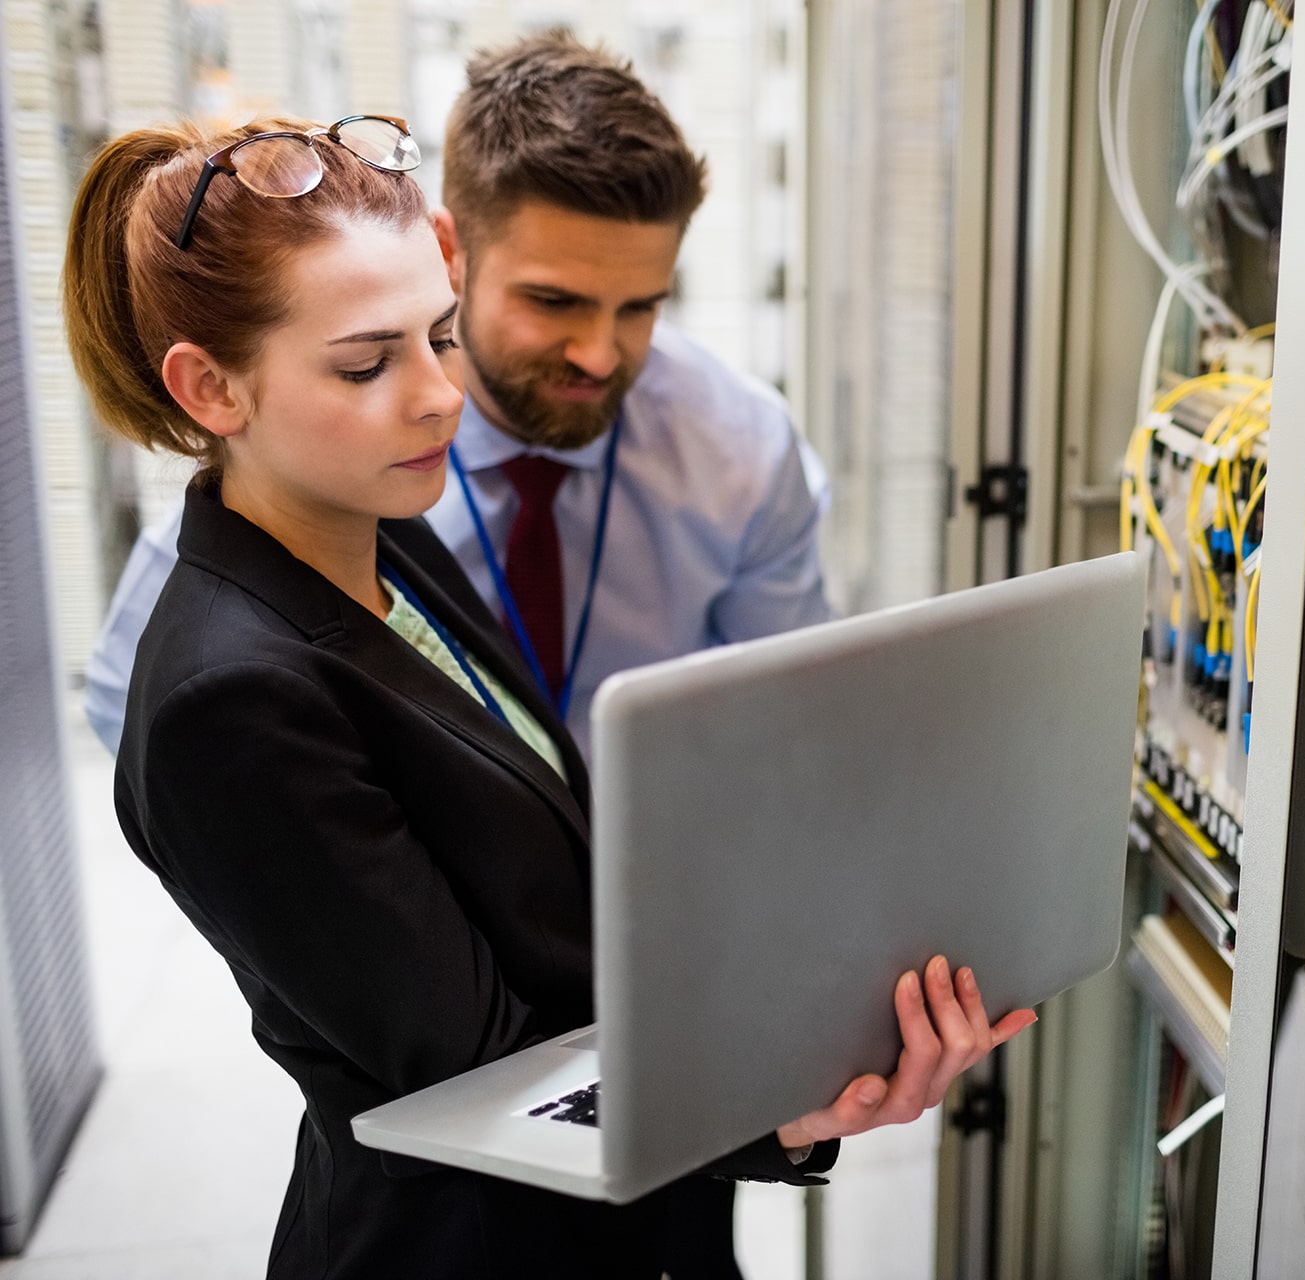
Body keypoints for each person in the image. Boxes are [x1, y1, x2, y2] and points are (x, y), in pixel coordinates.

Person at [61, 112, 1031, 1279]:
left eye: (440, 337)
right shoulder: (227, 702)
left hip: (625, 1211)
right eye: (367, 364)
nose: (438, 398)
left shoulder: (374, 533)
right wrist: (785, 1104)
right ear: (210, 387)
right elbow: (487, 1074)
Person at [84, 32, 834, 761]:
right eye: (554, 301)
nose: (601, 354)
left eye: (640, 308)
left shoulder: (745, 447)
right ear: (450, 253)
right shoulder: (327, 458)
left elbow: (793, 715)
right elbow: (143, 704)